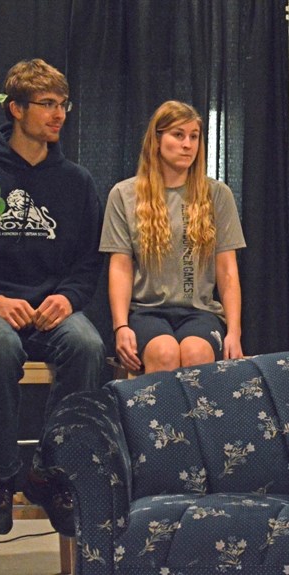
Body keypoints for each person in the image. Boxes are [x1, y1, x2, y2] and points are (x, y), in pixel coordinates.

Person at [0, 58, 106, 537]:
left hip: (50, 311)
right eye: (47, 104)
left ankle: (49, 471)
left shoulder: (77, 182)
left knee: (87, 344)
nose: (59, 114)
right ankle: (2, 480)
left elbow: (87, 266)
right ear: (15, 109)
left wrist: (67, 299)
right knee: (0, 347)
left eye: (63, 104)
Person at [100, 100, 246, 374]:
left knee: (195, 352)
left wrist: (234, 332)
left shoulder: (217, 194)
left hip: (200, 312)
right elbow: (120, 267)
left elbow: (227, 270)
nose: (187, 144)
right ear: (157, 140)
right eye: (178, 135)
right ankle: (160, 419)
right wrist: (120, 326)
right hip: (147, 311)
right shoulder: (124, 194)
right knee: (164, 352)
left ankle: (199, 418)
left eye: (193, 136)